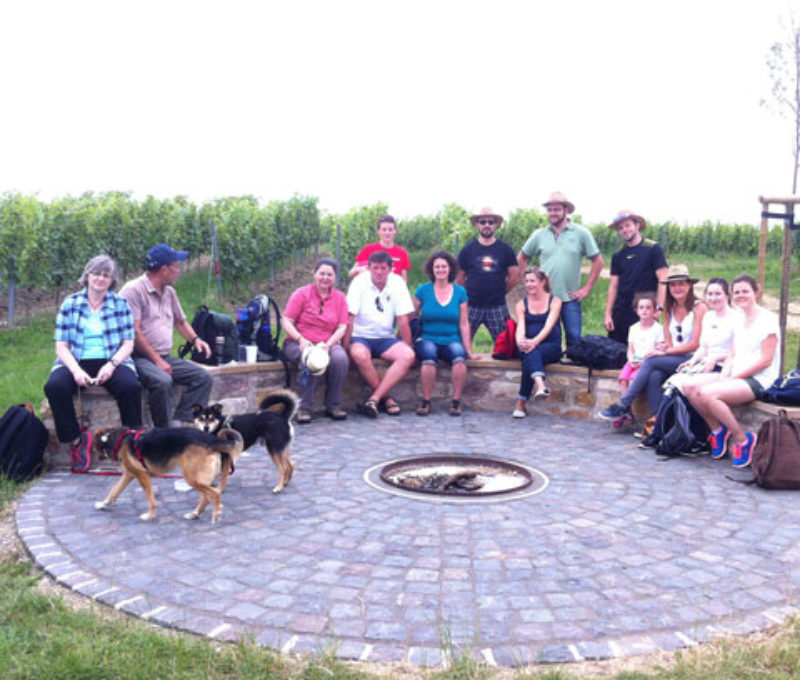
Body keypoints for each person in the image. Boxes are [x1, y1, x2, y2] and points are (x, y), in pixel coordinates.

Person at [44, 255, 142, 463]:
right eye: (96, 273)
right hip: (76, 359)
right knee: (55, 387)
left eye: (106, 275)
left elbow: (128, 343)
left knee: (130, 386)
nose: (100, 279)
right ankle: (76, 442)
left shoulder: (120, 304)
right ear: (87, 275)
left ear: (112, 280)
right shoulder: (70, 304)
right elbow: (61, 346)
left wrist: (112, 365)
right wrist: (76, 371)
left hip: (112, 358)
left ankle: (132, 442)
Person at [683, 275, 780, 468]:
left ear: (756, 293)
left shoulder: (768, 319)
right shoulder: (739, 318)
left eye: (745, 291)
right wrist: (726, 373)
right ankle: (718, 431)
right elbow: (734, 352)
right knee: (690, 387)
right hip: (736, 374)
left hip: (758, 378)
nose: (740, 295)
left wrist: (735, 376)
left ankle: (742, 440)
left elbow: (766, 360)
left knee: (709, 394)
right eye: (737, 292)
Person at [120, 243, 213, 428]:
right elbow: (134, 332)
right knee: (162, 381)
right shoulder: (133, 291)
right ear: (164, 269)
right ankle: (163, 433)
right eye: (177, 267)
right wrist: (157, 361)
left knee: (203, 378)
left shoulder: (169, 292)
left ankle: (179, 423)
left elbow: (180, 321)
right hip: (136, 357)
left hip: (163, 355)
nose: (179, 271)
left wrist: (196, 340)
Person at [599, 264, 706, 421]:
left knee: (651, 360)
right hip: (675, 358)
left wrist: (664, 352)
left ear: (689, 285)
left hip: (693, 359)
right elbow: (669, 342)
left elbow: (695, 344)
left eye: (681, 284)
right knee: (654, 376)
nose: (677, 288)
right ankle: (657, 422)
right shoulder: (669, 308)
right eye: (673, 285)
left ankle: (623, 404)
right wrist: (662, 347)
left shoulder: (699, 308)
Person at [517, 192, 604, 349]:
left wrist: (586, 289)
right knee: (547, 341)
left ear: (566, 211)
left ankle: (573, 372)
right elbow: (521, 258)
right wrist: (528, 283)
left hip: (570, 298)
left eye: (556, 209)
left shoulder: (581, 233)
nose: (552, 213)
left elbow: (598, 261)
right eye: (549, 210)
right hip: (546, 300)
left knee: (574, 340)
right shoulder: (539, 235)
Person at [344, 250, 416, 417]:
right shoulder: (359, 282)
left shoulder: (398, 283)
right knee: (360, 355)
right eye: (375, 268)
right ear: (368, 268)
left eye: (383, 268)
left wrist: (408, 345)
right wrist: (345, 346)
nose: (378, 272)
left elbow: (403, 319)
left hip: (385, 338)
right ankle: (386, 399)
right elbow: (350, 318)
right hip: (360, 336)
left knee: (408, 356)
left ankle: (374, 399)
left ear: (390, 269)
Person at [281, 258, 350, 423]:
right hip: (298, 342)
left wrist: (329, 344)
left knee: (340, 359)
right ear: (314, 274)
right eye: (322, 274)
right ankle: (304, 408)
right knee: (312, 360)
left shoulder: (340, 298)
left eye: (330, 274)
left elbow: (342, 326)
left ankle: (333, 405)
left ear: (335, 277)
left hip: (328, 342)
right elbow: (286, 320)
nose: (325, 278)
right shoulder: (301, 294)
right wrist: (300, 339)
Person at [413, 251, 474, 417]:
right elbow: (411, 316)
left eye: (444, 266)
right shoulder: (423, 290)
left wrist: (468, 349)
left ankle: (456, 401)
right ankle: (426, 401)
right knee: (429, 358)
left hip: (451, 339)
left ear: (450, 269)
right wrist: (403, 340)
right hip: (427, 337)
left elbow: (463, 323)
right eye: (437, 267)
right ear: (432, 270)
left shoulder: (460, 292)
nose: (440, 270)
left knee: (460, 359)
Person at [603, 211, 668, 344]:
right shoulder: (618, 256)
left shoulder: (653, 249)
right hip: (621, 311)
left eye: (627, 225)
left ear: (637, 225)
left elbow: (663, 280)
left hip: (644, 310)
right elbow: (613, 286)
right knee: (616, 353)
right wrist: (608, 313)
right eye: (621, 228)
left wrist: (659, 308)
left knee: (643, 353)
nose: (624, 230)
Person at [456, 206, 519, 341]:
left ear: (496, 225)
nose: (487, 225)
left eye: (490, 222)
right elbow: (459, 277)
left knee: (505, 346)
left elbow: (514, 276)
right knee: (462, 344)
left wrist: (501, 291)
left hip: (497, 306)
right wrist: (469, 292)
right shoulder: (468, 250)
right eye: (483, 222)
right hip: (471, 305)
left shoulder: (506, 249)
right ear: (477, 224)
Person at [667, 277, 739, 393]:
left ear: (727, 295)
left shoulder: (736, 318)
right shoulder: (709, 316)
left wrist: (715, 358)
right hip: (706, 364)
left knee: (685, 386)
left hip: (724, 367)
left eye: (717, 294)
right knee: (672, 385)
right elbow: (704, 347)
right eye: (710, 294)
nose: (713, 298)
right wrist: (691, 361)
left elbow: (735, 352)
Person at [511, 267, 563, 418]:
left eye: (532, 281)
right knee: (529, 353)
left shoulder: (555, 301)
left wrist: (534, 342)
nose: (529, 284)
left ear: (542, 282)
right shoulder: (521, 304)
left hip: (550, 345)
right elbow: (520, 327)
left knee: (530, 355)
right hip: (528, 345)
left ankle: (521, 403)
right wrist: (520, 341)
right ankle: (540, 385)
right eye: (526, 281)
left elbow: (549, 326)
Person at [349, 214, 411, 281]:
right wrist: (363, 269)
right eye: (384, 229)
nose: (387, 232)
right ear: (378, 231)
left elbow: (404, 280)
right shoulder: (368, 250)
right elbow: (351, 273)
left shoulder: (402, 253)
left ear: (395, 231)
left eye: (390, 229)